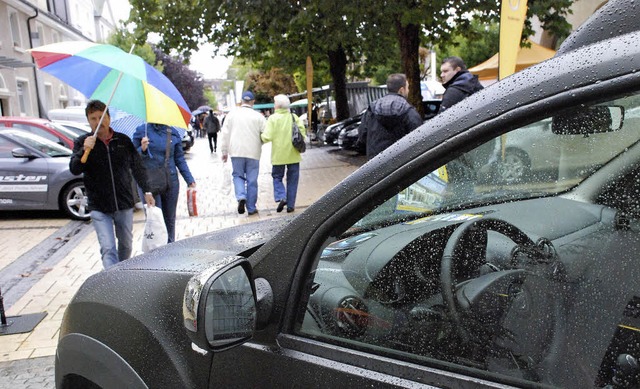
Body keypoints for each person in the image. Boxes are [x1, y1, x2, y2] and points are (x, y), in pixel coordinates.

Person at [69, 100, 156, 270]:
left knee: (126, 245)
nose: (98, 121)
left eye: (101, 117)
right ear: (88, 121)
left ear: (108, 118)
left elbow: (137, 167)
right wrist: (83, 151)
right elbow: (74, 169)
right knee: (108, 248)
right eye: (93, 118)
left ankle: (120, 272)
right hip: (99, 206)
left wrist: (147, 190)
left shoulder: (122, 140)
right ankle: (111, 280)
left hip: (123, 203)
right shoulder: (83, 142)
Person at [132, 123, 196, 243]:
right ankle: (157, 251)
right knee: (155, 220)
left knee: (169, 219)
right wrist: (142, 149)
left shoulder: (172, 132)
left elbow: (179, 159)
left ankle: (169, 248)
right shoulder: (141, 131)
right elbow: (132, 158)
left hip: (170, 181)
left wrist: (189, 179)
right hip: (149, 182)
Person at [219, 91, 267, 215]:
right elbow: (265, 134)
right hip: (253, 151)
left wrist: (224, 151)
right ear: (253, 101)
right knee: (252, 180)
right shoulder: (258, 117)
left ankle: (241, 196)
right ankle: (251, 207)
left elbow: (225, 134)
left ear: (241, 101)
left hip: (236, 151)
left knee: (237, 176)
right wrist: (260, 143)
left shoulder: (232, 115)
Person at [356, 73, 423, 159]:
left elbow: (362, 136)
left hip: (375, 164)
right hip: (401, 165)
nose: (408, 91)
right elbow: (419, 140)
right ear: (401, 90)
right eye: (408, 87)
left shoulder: (372, 109)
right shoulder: (408, 111)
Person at [261, 94, 306, 213]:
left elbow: (267, 137)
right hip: (294, 154)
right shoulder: (294, 117)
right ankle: (290, 205)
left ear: (277, 105)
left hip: (278, 156)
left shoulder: (272, 119)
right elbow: (302, 132)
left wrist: (260, 136)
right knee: (293, 180)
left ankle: (282, 196)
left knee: (277, 177)